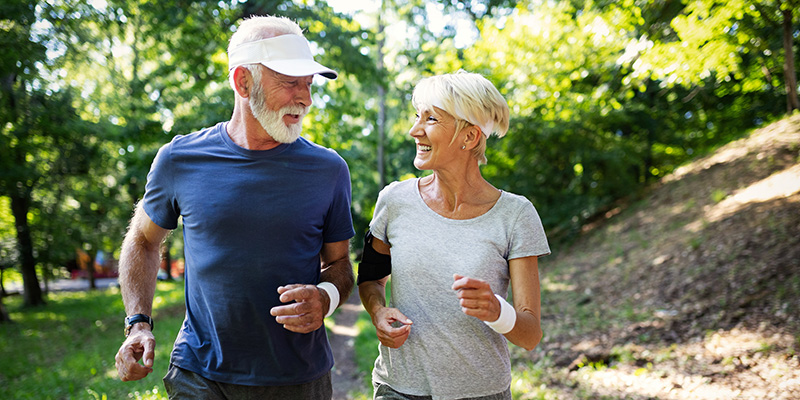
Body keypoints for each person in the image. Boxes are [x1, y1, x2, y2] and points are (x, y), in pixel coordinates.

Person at [114, 15, 355, 399]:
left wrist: (326, 298)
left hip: (297, 378)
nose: (306, 99)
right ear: (243, 81)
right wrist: (138, 324)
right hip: (199, 375)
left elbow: (340, 265)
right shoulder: (179, 159)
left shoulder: (329, 170)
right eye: (290, 83)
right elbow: (142, 242)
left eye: (308, 84)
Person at [358, 71, 550, 400]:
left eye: (431, 119)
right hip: (397, 389)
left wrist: (497, 310)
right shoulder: (394, 201)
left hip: (481, 393)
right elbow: (371, 279)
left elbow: (530, 335)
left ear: (470, 137)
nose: (414, 130)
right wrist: (378, 311)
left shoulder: (515, 214)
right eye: (417, 116)